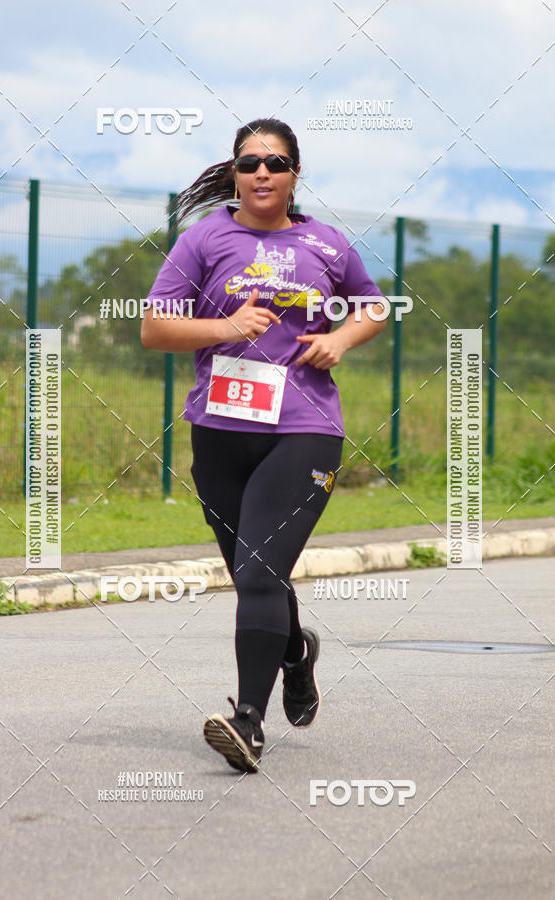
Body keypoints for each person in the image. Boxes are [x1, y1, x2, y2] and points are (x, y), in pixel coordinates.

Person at [141, 117, 386, 773]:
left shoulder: (327, 243)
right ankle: (296, 653)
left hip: (304, 430)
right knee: (258, 573)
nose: (261, 173)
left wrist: (340, 339)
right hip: (220, 432)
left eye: (275, 163)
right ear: (235, 172)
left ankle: (247, 721)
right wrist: (225, 326)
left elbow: (373, 306)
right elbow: (155, 329)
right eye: (250, 162)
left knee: (256, 573)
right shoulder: (203, 238)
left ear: (294, 174)